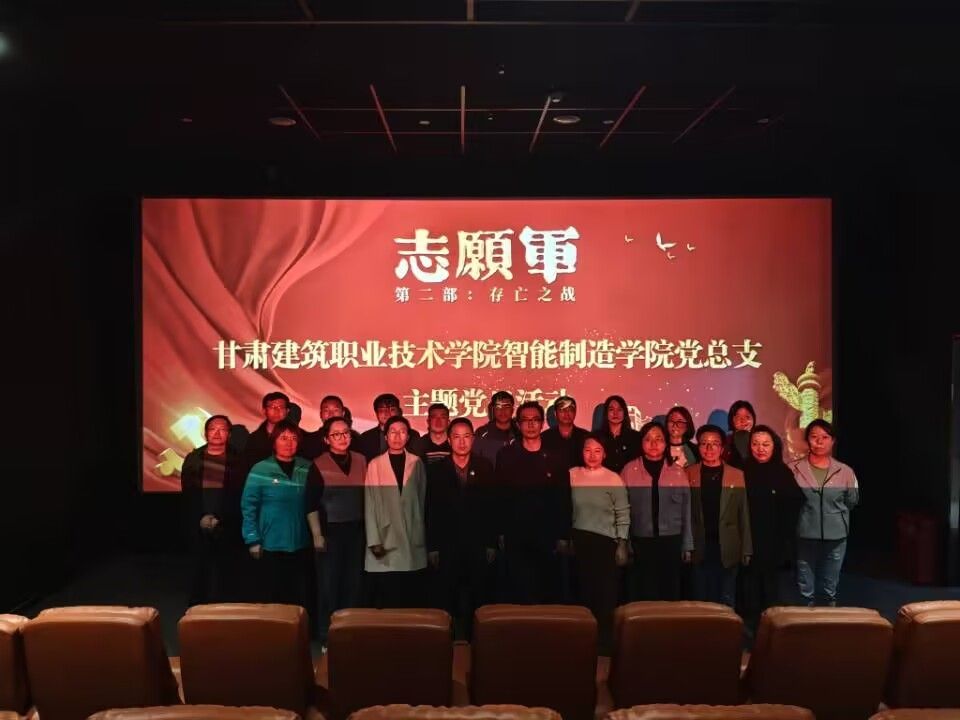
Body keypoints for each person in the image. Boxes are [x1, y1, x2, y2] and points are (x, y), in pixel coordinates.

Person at [241, 420, 325, 615]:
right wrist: (252, 539)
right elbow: (248, 506)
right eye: (283, 438)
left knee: (300, 598)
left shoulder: (307, 467)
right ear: (274, 441)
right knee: (273, 597)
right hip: (270, 543)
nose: (289, 443)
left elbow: (314, 503)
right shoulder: (260, 469)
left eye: (293, 438)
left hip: (300, 543)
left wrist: (317, 535)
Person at [425, 417, 498, 638]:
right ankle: (448, 641)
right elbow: (430, 510)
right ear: (449, 440)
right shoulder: (437, 470)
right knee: (447, 597)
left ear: (473, 439)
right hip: (447, 544)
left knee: (478, 596)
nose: (462, 442)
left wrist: (491, 543)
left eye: (466, 436)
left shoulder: (485, 467)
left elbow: (492, 509)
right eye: (456, 437)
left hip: (477, 543)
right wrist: (433, 546)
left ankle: (477, 640)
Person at [495, 401, 572, 603]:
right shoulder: (506, 455)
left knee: (547, 592)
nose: (530, 425)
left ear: (542, 423)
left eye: (535, 420)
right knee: (518, 592)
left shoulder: (556, 457)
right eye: (525, 420)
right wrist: (500, 531)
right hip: (516, 534)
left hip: (547, 535)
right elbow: (499, 497)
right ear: (518, 424)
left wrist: (563, 535)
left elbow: (563, 498)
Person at [569, 434, 630, 652]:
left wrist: (622, 543)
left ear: (604, 454)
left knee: (605, 595)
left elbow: (623, 513)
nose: (592, 455)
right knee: (582, 592)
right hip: (579, 541)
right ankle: (582, 643)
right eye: (588, 450)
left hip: (606, 543)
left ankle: (604, 644)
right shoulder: (572, 475)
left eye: (597, 451)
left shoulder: (613, 478)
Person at [621, 421, 693, 600]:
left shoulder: (678, 472)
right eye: (648, 439)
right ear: (641, 442)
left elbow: (686, 511)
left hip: (671, 541)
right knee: (644, 593)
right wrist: (624, 542)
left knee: (669, 592)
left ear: (666, 443)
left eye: (659, 439)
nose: (653, 444)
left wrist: (687, 544)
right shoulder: (629, 470)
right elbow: (621, 511)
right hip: (640, 542)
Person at [792, 419, 859, 606]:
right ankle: (806, 618)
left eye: (825, 437)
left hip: (836, 536)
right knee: (805, 586)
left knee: (830, 586)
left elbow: (852, 501)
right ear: (807, 440)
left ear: (833, 441)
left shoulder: (845, 472)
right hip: (805, 534)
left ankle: (828, 618)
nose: (819, 442)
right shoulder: (793, 469)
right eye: (814, 437)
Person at [364, 415, 429, 608]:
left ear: (408, 436)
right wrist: (374, 540)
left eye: (402, 432)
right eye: (392, 432)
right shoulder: (375, 464)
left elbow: (422, 498)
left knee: (410, 595)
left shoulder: (417, 463)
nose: (397, 436)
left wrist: (420, 528)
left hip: (411, 534)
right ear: (385, 436)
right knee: (388, 595)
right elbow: (370, 503)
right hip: (386, 536)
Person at [311, 415, 367, 640]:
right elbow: (310, 504)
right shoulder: (318, 464)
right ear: (326, 439)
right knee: (329, 584)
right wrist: (317, 535)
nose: (342, 438)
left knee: (354, 583)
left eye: (346, 433)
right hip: (330, 532)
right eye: (336, 434)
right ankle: (328, 634)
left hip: (357, 530)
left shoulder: (361, 460)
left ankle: (350, 632)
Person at [181, 415, 245, 605]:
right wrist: (201, 516)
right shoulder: (193, 459)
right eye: (212, 429)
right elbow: (188, 494)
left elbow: (240, 495)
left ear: (229, 434)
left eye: (222, 429)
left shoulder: (239, 460)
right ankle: (198, 609)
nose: (217, 433)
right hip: (198, 521)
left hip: (228, 522)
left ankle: (225, 609)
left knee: (227, 572)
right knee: (199, 570)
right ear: (205, 433)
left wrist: (220, 517)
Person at [742, 425, 803, 619]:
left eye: (765, 444)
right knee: (747, 591)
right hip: (747, 541)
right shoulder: (742, 470)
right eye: (755, 444)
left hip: (775, 542)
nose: (760, 449)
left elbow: (794, 505)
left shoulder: (783, 472)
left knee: (772, 592)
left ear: (774, 446)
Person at [688, 425, 752, 608]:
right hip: (699, 544)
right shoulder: (688, 473)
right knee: (700, 597)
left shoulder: (736, 475)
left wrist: (746, 548)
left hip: (728, 545)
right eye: (704, 443)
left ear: (722, 448)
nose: (709, 448)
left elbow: (744, 513)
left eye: (715, 443)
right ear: (698, 446)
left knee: (726, 597)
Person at [357, 393, 420, 461]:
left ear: (398, 411)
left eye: (392, 409)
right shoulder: (366, 437)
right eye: (382, 410)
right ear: (376, 413)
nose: (387, 413)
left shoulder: (413, 435)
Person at [241, 392, 291, 478]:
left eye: (281, 407)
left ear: (287, 411)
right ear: (264, 411)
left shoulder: (298, 437)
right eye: (272, 407)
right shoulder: (253, 439)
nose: (277, 410)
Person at [300, 395, 362, 460]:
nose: (331, 414)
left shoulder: (356, 440)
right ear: (321, 414)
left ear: (343, 413)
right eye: (326, 410)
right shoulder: (309, 441)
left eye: (335, 410)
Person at [541, 396, 591, 470]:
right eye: (562, 410)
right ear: (555, 413)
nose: (566, 413)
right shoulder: (544, 438)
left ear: (575, 412)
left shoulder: (587, 437)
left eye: (570, 410)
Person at [473, 391, 520, 466]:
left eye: (507, 407)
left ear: (512, 409)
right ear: (493, 409)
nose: (503, 410)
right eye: (498, 407)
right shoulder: (482, 433)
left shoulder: (520, 433)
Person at [597, 395, 641, 473]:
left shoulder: (636, 437)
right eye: (611, 409)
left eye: (619, 409)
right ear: (606, 413)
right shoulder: (597, 437)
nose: (615, 413)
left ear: (625, 413)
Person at [723, 400, 756, 470]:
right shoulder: (726, 441)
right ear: (731, 420)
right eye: (738, 417)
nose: (743, 421)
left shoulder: (760, 438)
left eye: (747, 417)